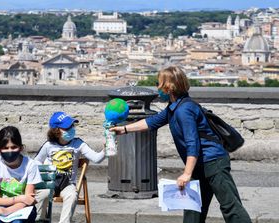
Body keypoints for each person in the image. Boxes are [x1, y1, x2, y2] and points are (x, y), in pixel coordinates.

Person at [110, 66, 251, 223]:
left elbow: (193, 143)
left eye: (159, 83)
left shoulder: (184, 110)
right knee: (193, 209)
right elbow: (152, 122)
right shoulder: (174, 108)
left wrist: (186, 173)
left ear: (169, 88)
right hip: (200, 165)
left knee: (231, 208)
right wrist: (123, 129)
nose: (157, 88)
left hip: (214, 162)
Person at [34, 111, 106, 223]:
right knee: (43, 194)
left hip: (68, 184)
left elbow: (96, 159)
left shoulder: (78, 143)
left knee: (72, 195)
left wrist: (105, 150)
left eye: (72, 126)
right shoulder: (48, 145)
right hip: (50, 183)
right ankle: (40, 220)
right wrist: (45, 170)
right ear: (56, 131)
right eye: (67, 128)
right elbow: (36, 161)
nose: (71, 129)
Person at [0, 126, 43, 223]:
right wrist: (20, 198)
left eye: (14, 147)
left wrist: (8, 210)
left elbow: (29, 201)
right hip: (1, 207)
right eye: (5, 148)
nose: (10, 151)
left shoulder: (30, 165)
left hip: (24, 209)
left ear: (21, 148)